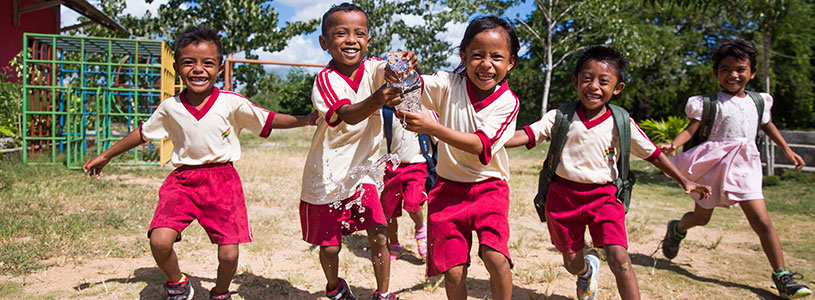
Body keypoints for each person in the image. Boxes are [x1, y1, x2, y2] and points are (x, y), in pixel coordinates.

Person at [82, 25, 316, 300]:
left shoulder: (231, 103)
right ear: (177, 66)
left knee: (229, 254)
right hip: (182, 182)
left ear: (218, 67)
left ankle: (220, 293)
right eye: (189, 62)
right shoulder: (170, 107)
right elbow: (143, 133)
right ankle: (178, 283)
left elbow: (268, 118)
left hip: (223, 182)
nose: (198, 69)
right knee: (159, 240)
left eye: (207, 63)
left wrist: (307, 120)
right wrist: (106, 155)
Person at [504, 45, 711, 300]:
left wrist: (684, 180)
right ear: (575, 81)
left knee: (620, 258)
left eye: (604, 81)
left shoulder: (621, 122)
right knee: (571, 262)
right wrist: (490, 141)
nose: (594, 87)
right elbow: (527, 134)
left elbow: (653, 154)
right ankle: (585, 272)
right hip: (562, 199)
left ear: (618, 88)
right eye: (587, 79)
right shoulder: (560, 116)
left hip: (604, 197)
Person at [659, 39, 812, 299]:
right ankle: (677, 229)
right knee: (701, 218)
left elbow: (767, 126)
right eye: (726, 69)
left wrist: (786, 149)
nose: (733, 75)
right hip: (714, 163)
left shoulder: (759, 101)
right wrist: (673, 145)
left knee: (762, 221)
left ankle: (782, 276)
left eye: (740, 69)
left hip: (745, 164)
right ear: (716, 73)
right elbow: (690, 129)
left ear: (752, 72)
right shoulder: (708, 103)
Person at [399, 16, 520, 300]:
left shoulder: (507, 102)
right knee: (452, 272)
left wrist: (434, 128)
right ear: (463, 56)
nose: (486, 64)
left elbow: (480, 144)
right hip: (447, 190)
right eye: (477, 55)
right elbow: (414, 86)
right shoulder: (447, 84)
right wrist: (405, 69)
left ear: (510, 63)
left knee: (495, 257)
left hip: (490, 188)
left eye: (497, 57)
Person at [298, 3, 413, 300]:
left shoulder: (373, 67)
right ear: (324, 43)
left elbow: (389, 70)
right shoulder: (325, 80)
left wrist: (403, 64)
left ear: (368, 40)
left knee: (378, 233)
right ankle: (335, 287)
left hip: (364, 171)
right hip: (327, 173)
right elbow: (347, 114)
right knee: (330, 246)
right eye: (341, 33)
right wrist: (377, 99)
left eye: (359, 33)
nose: (351, 40)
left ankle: (384, 294)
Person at [380, 105, 434, 261]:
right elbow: (375, 133)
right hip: (394, 167)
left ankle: (420, 230)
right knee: (388, 210)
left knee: (413, 203)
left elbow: (438, 135)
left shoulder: (426, 110)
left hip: (417, 165)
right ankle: (394, 244)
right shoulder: (388, 112)